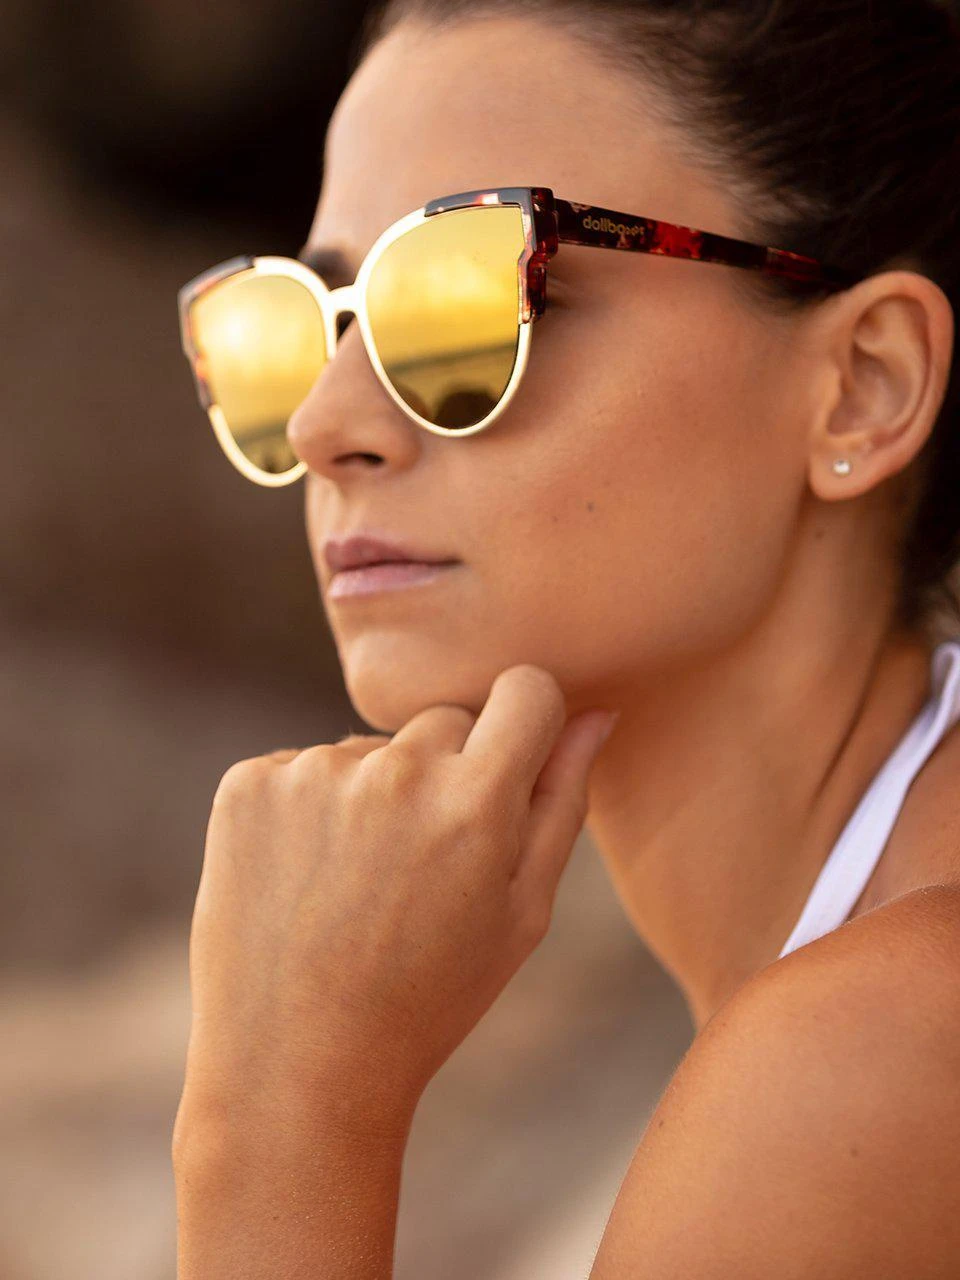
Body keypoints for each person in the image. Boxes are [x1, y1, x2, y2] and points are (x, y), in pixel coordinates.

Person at [171, 1, 960, 1275]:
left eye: (467, 297)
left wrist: (275, 1120)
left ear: (864, 384)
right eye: (313, 320)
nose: (324, 421)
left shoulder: (874, 1050)